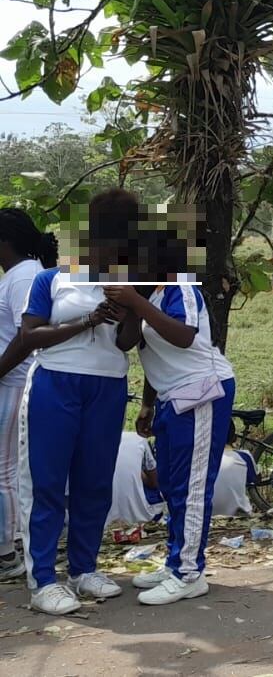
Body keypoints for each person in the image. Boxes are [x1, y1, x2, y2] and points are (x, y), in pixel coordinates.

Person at [16, 188, 138, 615]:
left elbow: (125, 345)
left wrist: (129, 312)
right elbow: (30, 336)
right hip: (55, 384)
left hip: (107, 386)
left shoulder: (125, 283)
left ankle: (83, 570)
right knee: (47, 484)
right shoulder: (52, 279)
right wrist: (87, 319)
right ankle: (43, 580)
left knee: (94, 483)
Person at [107, 234, 236, 606]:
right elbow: (134, 346)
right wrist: (147, 404)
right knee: (173, 486)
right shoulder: (153, 297)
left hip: (200, 392)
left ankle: (189, 574)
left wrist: (135, 302)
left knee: (192, 487)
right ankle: (176, 560)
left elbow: (183, 336)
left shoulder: (183, 287)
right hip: (171, 398)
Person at [0, 208, 54, 581]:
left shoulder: (24, 277)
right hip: (10, 381)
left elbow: (27, 335)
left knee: (5, 471)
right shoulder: (18, 274)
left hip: (15, 381)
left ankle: (8, 553)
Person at [106, 430, 162, 527]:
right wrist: (138, 471)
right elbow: (155, 483)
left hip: (103, 514)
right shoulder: (140, 439)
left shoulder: (99, 439)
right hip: (140, 516)